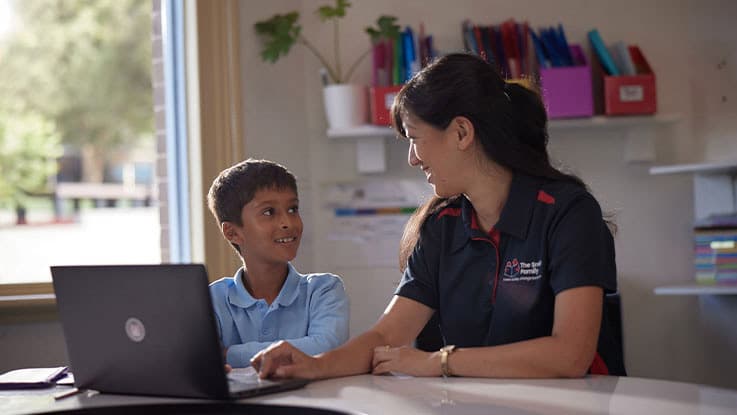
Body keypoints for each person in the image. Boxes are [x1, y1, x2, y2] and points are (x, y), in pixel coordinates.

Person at [252, 53, 626, 379]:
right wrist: (314, 364)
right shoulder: (442, 226)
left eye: (415, 138)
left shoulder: (569, 213)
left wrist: (440, 362)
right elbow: (385, 337)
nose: (413, 158)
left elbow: (569, 356)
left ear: (462, 132)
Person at [207, 158, 350, 368]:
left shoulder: (323, 290)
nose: (287, 223)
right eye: (268, 212)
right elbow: (200, 358)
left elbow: (325, 347)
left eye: (293, 209)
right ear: (233, 232)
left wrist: (229, 354)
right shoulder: (213, 300)